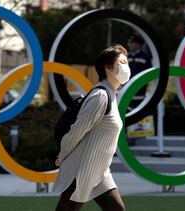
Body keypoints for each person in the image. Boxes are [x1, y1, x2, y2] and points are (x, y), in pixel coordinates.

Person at [53, 44, 129, 211]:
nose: (126, 67)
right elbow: (77, 130)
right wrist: (62, 154)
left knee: (117, 209)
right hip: (81, 168)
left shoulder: (111, 94)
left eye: (127, 62)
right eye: (122, 62)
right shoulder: (100, 96)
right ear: (107, 68)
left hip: (100, 170)